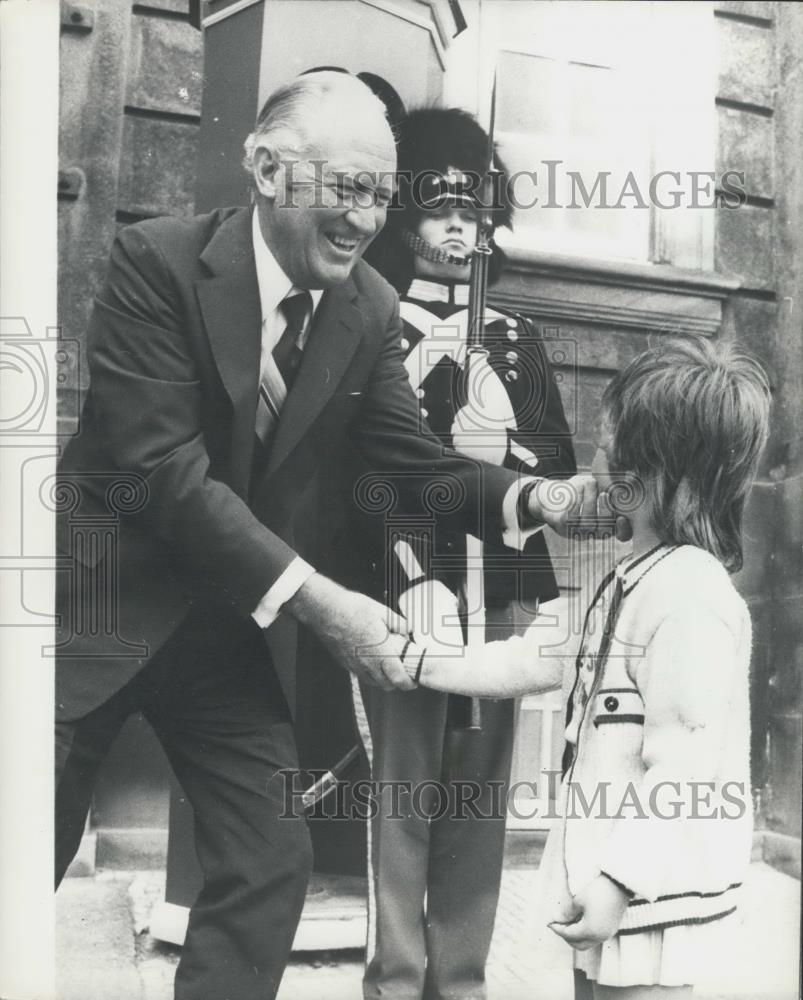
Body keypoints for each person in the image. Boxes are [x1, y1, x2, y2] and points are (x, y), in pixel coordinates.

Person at [53, 72, 602, 1000]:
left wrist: (539, 501)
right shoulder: (155, 261)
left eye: (379, 196)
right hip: (94, 616)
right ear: (267, 169)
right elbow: (165, 477)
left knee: (270, 866)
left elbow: (415, 465)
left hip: (223, 635)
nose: (362, 218)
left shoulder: (367, 308)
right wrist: (323, 602)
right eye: (344, 189)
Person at [401, 337, 771, 1000]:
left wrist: (617, 880)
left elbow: (682, 761)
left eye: (609, 449)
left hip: (650, 893)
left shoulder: (689, 598)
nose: (592, 465)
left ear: (660, 475)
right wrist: (419, 658)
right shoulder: (629, 577)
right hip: (604, 879)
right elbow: (532, 658)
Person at [347, 107, 576, 1000]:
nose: (457, 229)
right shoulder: (370, 328)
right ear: (407, 221)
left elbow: (552, 468)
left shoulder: (518, 339)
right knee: (402, 801)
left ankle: (462, 981)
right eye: (440, 210)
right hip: (407, 583)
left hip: (504, 588)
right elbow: (357, 468)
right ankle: (396, 982)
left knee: (477, 803)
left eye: (474, 215)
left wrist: (504, 448)